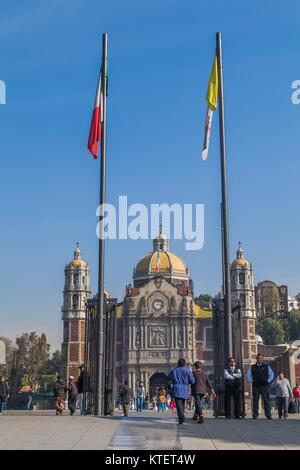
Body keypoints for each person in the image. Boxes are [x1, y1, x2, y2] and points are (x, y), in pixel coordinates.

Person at [168, 358, 195, 424]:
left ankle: (181, 418)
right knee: (182, 403)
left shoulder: (174, 370)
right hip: (185, 389)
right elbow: (192, 381)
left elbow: (169, 378)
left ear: (178, 363)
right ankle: (182, 417)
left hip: (177, 388)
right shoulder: (187, 371)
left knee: (179, 404)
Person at [247, 353, 274, 419]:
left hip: (264, 386)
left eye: (261, 358)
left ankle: (268, 415)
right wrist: (251, 381)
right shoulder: (252, 367)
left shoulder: (266, 366)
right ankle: (255, 415)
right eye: (258, 358)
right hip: (255, 386)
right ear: (256, 359)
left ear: (263, 359)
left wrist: (268, 381)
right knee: (255, 401)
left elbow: (271, 375)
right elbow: (248, 375)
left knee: (266, 401)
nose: (260, 359)